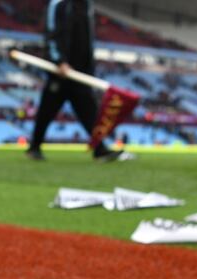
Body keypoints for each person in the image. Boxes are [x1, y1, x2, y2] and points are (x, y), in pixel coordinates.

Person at [27, 0, 130, 162]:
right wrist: (59, 61)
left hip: (80, 73)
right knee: (47, 110)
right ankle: (34, 147)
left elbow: (87, 40)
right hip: (61, 72)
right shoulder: (58, 4)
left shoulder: (87, 5)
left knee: (89, 111)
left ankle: (100, 148)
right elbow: (52, 33)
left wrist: (89, 68)